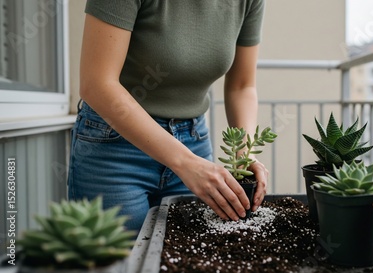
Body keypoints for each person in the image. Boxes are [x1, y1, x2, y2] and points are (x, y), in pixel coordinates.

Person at [68, 0, 267, 232]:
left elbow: (241, 87)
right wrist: (185, 163)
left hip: (194, 143)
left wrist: (244, 155)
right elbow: (97, 84)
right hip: (115, 146)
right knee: (121, 263)